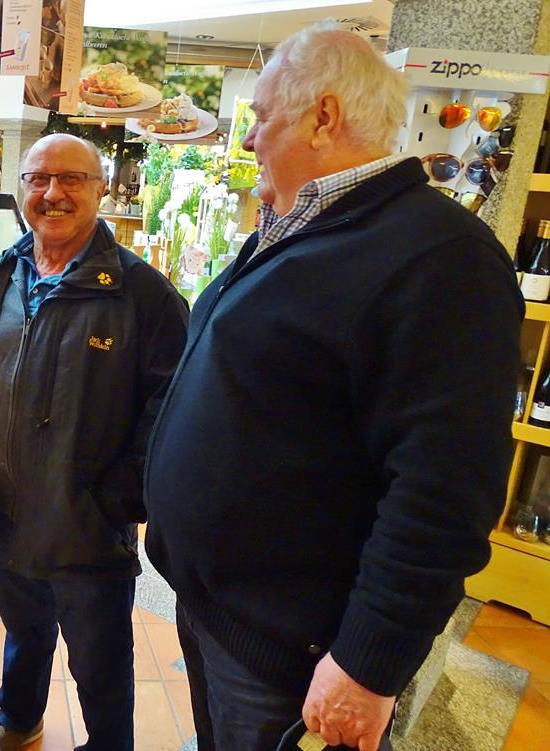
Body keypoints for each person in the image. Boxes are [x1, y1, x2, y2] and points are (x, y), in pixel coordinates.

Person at [143, 21, 524, 751]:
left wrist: (368, 665)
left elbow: (446, 490)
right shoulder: (299, 224)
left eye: (261, 117)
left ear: (323, 116)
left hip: (292, 657)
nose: (248, 139)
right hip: (221, 616)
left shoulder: (442, 257)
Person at [0, 133, 189, 751]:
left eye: (72, 178)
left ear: (101, 189)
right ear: (20, 188)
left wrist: (121, 499)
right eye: (38, 179)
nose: (53, 193)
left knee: (100, 662)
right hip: (6, 514)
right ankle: (19, 721)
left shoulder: (142, 295)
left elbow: (170, 411)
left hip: (89, 526)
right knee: (24, 631)